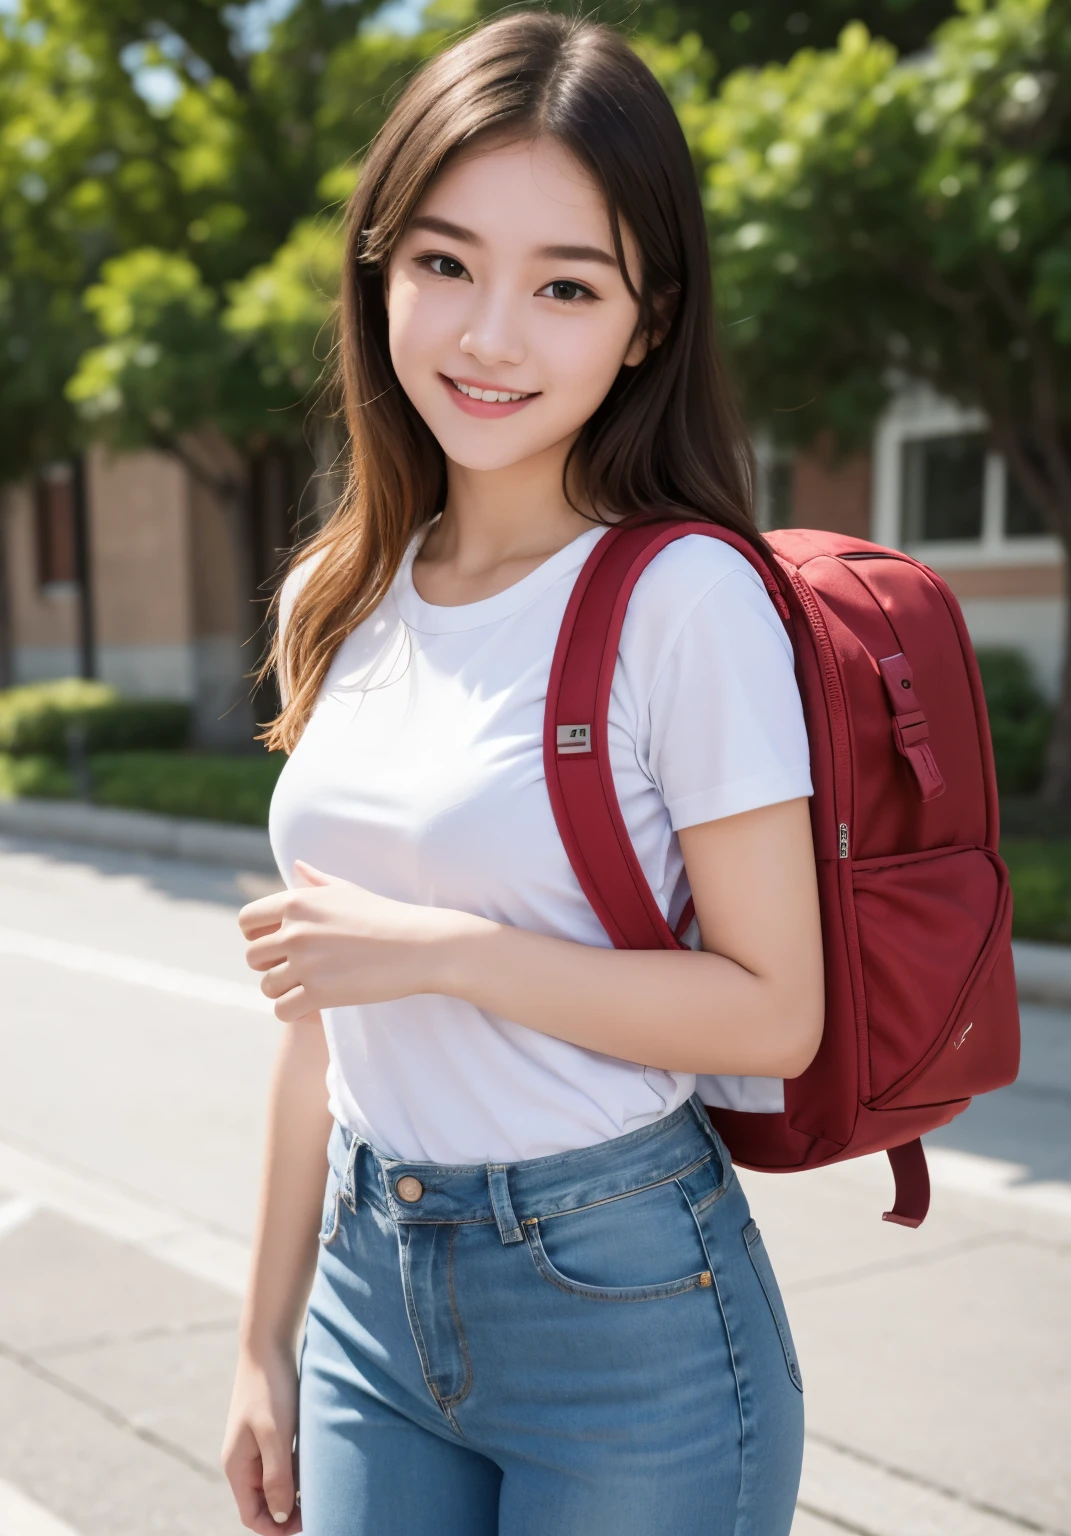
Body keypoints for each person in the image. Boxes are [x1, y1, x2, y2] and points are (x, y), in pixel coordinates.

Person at [221, 12, 824, 1535]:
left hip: (622, 1302)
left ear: (645, 322)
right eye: (445, 263)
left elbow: (775, 1006)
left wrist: (448, 953)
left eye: (566, 285)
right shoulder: (339, 597)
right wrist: (259, 1342)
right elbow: (326, 1021)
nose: (491, 336)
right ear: (379, 270)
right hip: (369, 1293)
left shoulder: (682, 601)